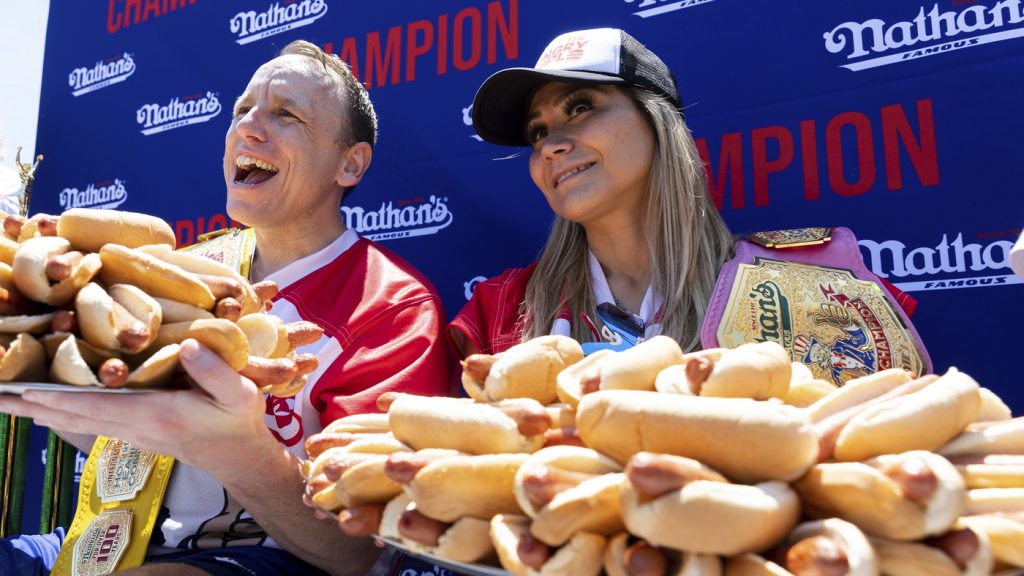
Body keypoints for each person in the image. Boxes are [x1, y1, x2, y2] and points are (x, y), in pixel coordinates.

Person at [0, 39, 451, 576]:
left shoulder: (393, 306)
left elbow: (355, 550)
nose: (249, 128)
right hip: (108, 543)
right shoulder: (186, 267)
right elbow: (119, 434)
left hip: (276, 560)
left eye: (286, 115)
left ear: (349, 164)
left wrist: (233, 447)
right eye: (242, 110)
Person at [451, 27, 930, 382]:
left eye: (581, 107)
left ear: (658, 123)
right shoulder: (499, 310)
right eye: (538, 132)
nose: (551, 144)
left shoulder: (813, 287)